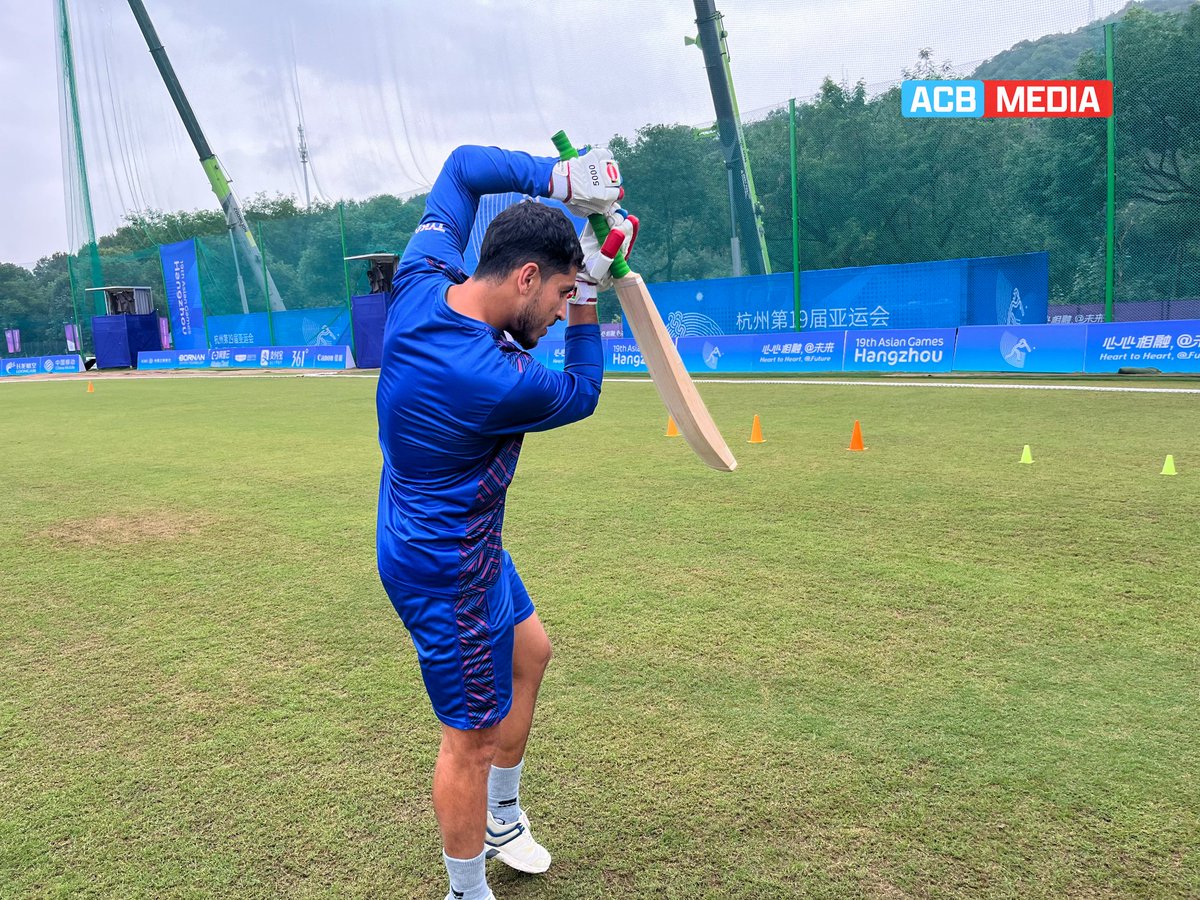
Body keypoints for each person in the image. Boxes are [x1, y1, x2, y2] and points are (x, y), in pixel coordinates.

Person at [375, 144, 636, 900]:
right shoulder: (489, 378)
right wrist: (593, 289)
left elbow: (462, 168)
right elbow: (582, 391)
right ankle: (466, 892)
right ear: (526, 277)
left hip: (458, 539)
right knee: (470, 739)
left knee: (532, 654)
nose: (556, 314)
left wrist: (555, 181)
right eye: (557, 296)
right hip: (447, 566)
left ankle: (502, 818)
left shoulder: (422, 283)